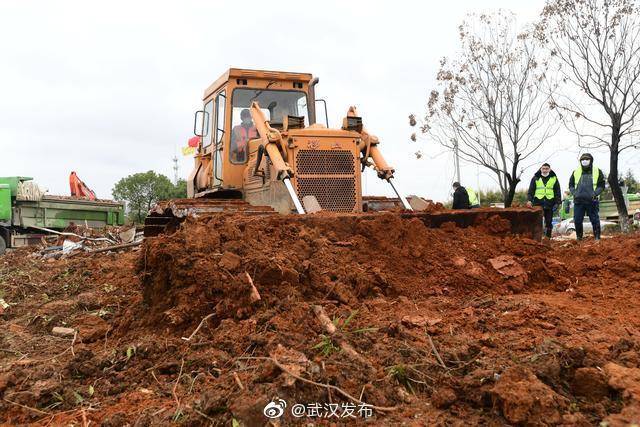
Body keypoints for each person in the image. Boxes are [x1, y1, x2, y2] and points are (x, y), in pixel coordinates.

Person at [568, 153, 606, 241]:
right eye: (582, 159)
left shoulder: (597, 171)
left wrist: (595, 194)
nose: (584, 161)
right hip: (578, 201)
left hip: (592, 200)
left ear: (591, 160)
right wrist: (575, 193)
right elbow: (571, 185)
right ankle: (579, 238)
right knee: (577, 220)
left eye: (587, 159)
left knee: (595, 220)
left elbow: (601, 186)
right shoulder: (575, 172)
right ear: (580, 161)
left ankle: (597, 238)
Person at [526, 163, 562, 238]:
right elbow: (531, 190)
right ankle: (537, 238)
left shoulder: (554, 178)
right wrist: (529, 200)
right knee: (537, 222)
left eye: (546, 168)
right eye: (543, 168)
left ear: (549, 169)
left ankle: (547, 238)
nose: (545, 170)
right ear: (541, 169)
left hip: (550, 203)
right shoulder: (535, 178)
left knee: (549, 222)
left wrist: (557, 203)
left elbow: (557, 191)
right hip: (538, 203)